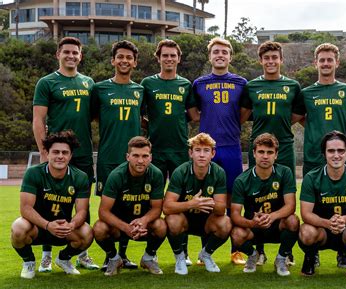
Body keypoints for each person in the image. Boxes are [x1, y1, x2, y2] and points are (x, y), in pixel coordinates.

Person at [32, 36, 98, 271]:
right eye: (66, 52)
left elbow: (92, 116)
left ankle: (82, 253)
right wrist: (43, 151)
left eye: (75, 52)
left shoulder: (89, 83)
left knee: (82, 203)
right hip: (56, 153)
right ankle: (47, 254)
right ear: (58, 54)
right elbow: (38, 119)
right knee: (48, 202)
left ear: (81, 56)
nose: (71, 56)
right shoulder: (47, 82)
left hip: (81, 152)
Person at [292, 42, 346, 269]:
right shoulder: (306, 92)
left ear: (337, 62)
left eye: (330, 59)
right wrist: (313, 128)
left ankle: (342, 249)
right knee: (317, 205)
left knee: (344, 202)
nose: (326, 63)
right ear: (315, 63)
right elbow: (296, 117)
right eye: (322, 59)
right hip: (313, 156)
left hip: (339, 156)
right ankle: (314, 250)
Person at [241, 41, 301, 265]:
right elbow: (244, 114)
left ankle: (287, 250)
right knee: (255, 197)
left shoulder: (293, 86)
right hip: (257, 145)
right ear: (261, 61)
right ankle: (259, 249)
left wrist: (280, 127)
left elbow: (296, 115)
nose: (271, 61)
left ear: (281, 60)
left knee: (283, 197)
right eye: (267, 58)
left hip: (284, 146)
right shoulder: (252, 86)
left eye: (275, 57)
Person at [191, 37, 248, 265]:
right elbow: (194, 114)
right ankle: (206, 251)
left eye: (224, 51)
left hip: (232, 147)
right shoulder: (199, 83)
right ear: (210, 56)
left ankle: (236, 250)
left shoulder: (241, 83)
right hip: (207, 149)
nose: (220, 55)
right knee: (206, 199)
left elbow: (244, 113)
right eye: (216, 51)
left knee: (234, 199)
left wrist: (231, 126)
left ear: (230, 56)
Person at [141, 39, 196, 266]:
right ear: (158, 58)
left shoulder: (185, 84)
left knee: (181, 201)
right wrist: (152, 126)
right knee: (148, 199)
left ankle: (182, 252)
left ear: (179, 58)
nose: (169, 59)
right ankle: (149, 251)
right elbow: (139, 113)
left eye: (173, 55)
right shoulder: (147, 83)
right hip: (155, 150)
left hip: (179, 150)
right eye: (165, 55)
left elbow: (193, 115)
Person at [11, 130, 94, 279]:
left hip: (63, 229)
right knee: (18, 227)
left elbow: (82, 211)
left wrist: (72, 225)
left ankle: (63, 259)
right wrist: (48, 225)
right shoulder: (34, 173)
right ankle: (29, 262)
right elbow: (25, 208)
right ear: (47, 154)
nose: (60, 156)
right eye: (55, 152)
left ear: (70, 156)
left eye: (64, 152)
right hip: (38, 228)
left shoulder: (80, 177)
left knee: (87, 232)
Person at [92, 40, 144, 270]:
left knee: (128, 206)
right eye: (120, 57)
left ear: (135, 62)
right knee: (109, 208)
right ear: (113, 60)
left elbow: (145, 118)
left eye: (129, 57)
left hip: (133, 159)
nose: (124, 61)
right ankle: (110, 255)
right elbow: (93, 116)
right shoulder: (99, 88)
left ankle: (122, 254)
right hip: (108, 156)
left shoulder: (140, 90)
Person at [298, 131, 346, 278]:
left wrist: (344, 220)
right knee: (306, 231)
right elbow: (305, 214)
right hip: (322, 231)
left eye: (340, 151)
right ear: (324, 153)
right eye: (331, 151)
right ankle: (309, 258)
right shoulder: (312, 177)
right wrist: (328, 223)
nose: (336, 155)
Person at [93, 136, 167, 276]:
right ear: (128, 156)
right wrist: (126, 227)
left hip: (143, 226)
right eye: (136, 156)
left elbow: (157, 208)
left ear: (150, 157)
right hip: (119, 226)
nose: (140, 160)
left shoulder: (156, 174)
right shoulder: (116, 175)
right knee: (99, 228)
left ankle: (148, 258)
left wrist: (143, 221)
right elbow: (103, 212)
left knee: (161, 225)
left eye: (145, 156)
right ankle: (114, 258)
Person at [230, 133, 299, 276]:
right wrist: (252, 223)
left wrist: (272, 217)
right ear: (254, 153)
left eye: (270, 152)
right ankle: (253, 255)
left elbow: (291, 205)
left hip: (277, 225)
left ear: (276, 155)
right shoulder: (242, 180)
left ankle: (281, 258)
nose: (265, 156)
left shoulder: (285, 173)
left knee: (293, 220)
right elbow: (235, 215)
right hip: (254, 227)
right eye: (261, 152)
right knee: (236, 233)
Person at [163, 133, 231, 275]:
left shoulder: (219, 173)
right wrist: (191, 204)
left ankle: (205, 254)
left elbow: (221, 209)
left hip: (207, 221)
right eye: (197, 150)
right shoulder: (181, 171)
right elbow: (167, 207)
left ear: (213, 154)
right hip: (185, 220)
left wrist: (207, 203)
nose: (201, 155)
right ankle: (180, 257)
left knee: (225, 223)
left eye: (206, 151)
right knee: (172, 220)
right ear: (190, 153)